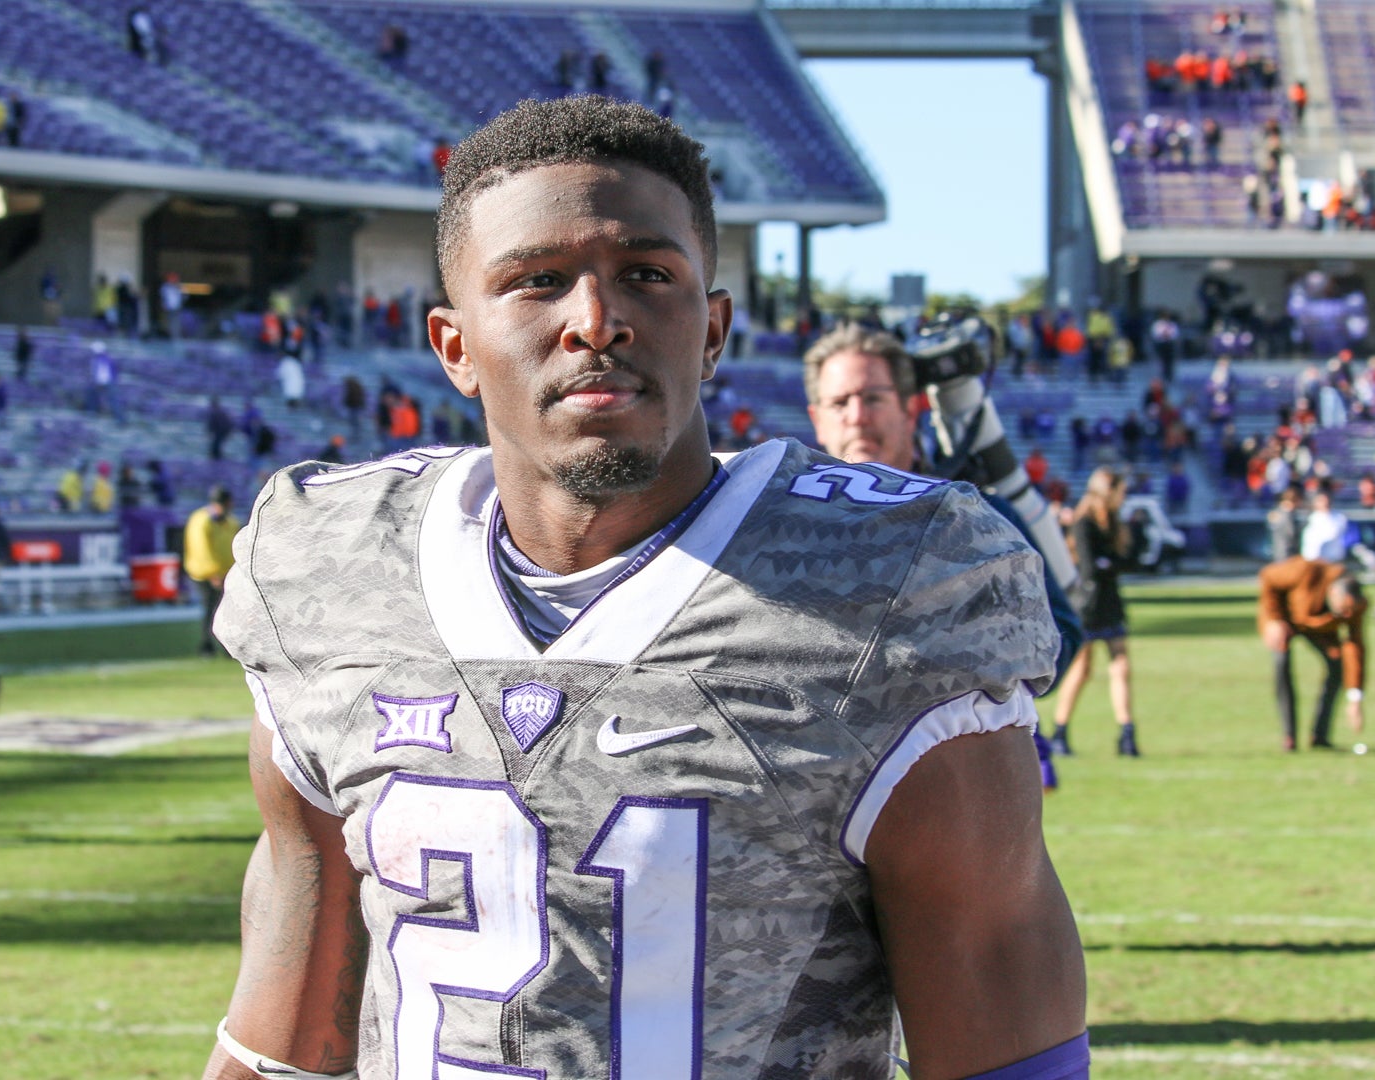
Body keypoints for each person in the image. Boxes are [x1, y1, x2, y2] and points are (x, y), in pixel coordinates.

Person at [204, 96, 1087, 1080]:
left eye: (645, 274)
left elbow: (1008, 1045)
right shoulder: (332, 569)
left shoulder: (891, 587)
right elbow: (285, 1028)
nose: (596, 321)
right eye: (537, 281)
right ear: (454, 347)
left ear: (711, 331)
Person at [801, 322, 1083, 788]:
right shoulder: (790, 525)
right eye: (840, 402)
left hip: (960, 788)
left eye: (873, 398)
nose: (856, 416)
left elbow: (1061, 637)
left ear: (912, 408)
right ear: (817, 418)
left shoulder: (977, 513)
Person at [1052, 468, 1141, 757]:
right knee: (1082, 669)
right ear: (1108, 491)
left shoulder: (1114, 523)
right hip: (1088, 604)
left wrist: (1112, 561)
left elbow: (1125, 561)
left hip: (1110, 601)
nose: (1123, 498)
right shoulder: (1084, 522)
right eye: (1120, 492)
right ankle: (1061, 730)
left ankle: (1127, 732)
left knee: (1121, 664)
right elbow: (1090, 567)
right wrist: (1111, 563)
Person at [1258, 555, 1366, 752]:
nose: (1346, 616)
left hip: (1320, 629)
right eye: (1343, 609)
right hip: (1286, 619)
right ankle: (1289, 737)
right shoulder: (1306, 571)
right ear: (1332, 592)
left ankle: (1320, 736)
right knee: (1282, 663)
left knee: (1338, 666)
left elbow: (1354, 645)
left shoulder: (1355, 604)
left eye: (1350, 612)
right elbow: (1268, 577)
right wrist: (1274, 619)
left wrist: (1355, 697)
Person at [182, 486, 239, 658]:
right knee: (210, 609)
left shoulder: (230, 522)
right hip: (205, 575)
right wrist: (213, 573)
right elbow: (201, 549)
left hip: (226, 574)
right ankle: (206, 645)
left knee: (228, 611)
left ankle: (228, 647)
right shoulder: (202, 520)